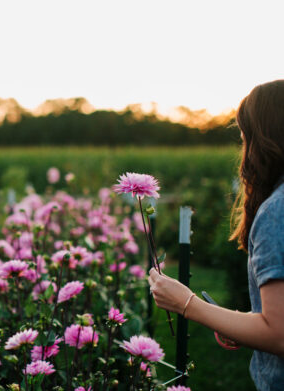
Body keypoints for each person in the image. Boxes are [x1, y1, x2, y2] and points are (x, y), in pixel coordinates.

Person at [147, 80, 284, 391]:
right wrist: (239, 322)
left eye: (243, 138)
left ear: (262, 140)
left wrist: (188, 304)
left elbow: (278, 333)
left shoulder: (277, 210)